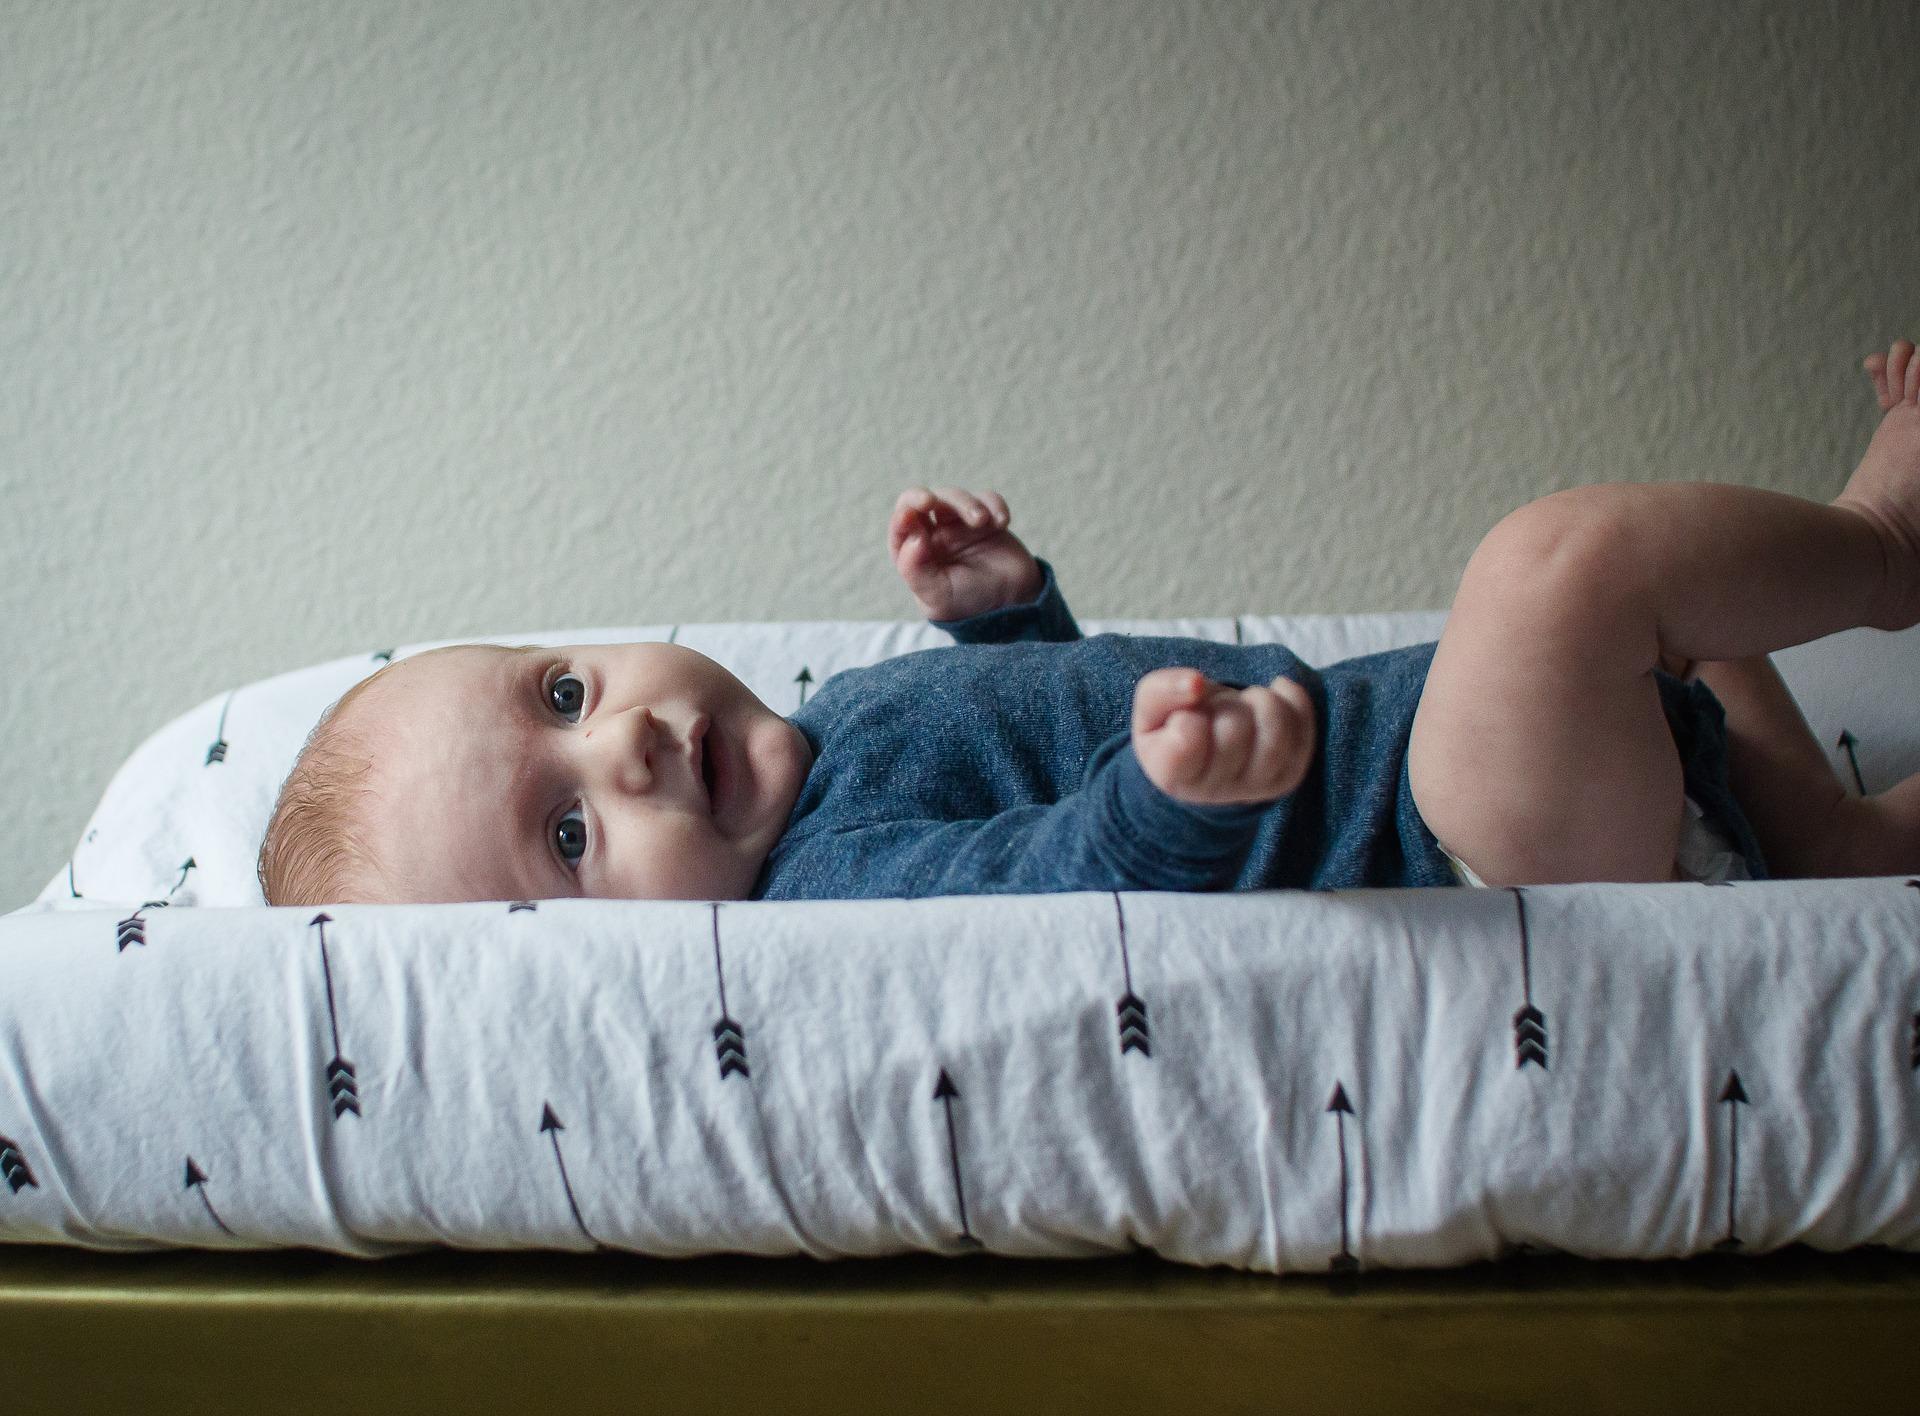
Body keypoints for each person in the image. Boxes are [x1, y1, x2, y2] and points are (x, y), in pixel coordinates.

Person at [258, 340, 1920, 906]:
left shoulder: (840, 730)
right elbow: (1044, 882)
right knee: (1559, 576)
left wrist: (1014, 622)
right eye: (566, 833)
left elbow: (1044, 737)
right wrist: (1165, 807)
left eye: (562, 692)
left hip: (1512, 775)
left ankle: (1831, 845)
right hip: (1447, 844)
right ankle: (1886, 549)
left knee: (1678, 627)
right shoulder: (833, 891)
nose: (619, 745)